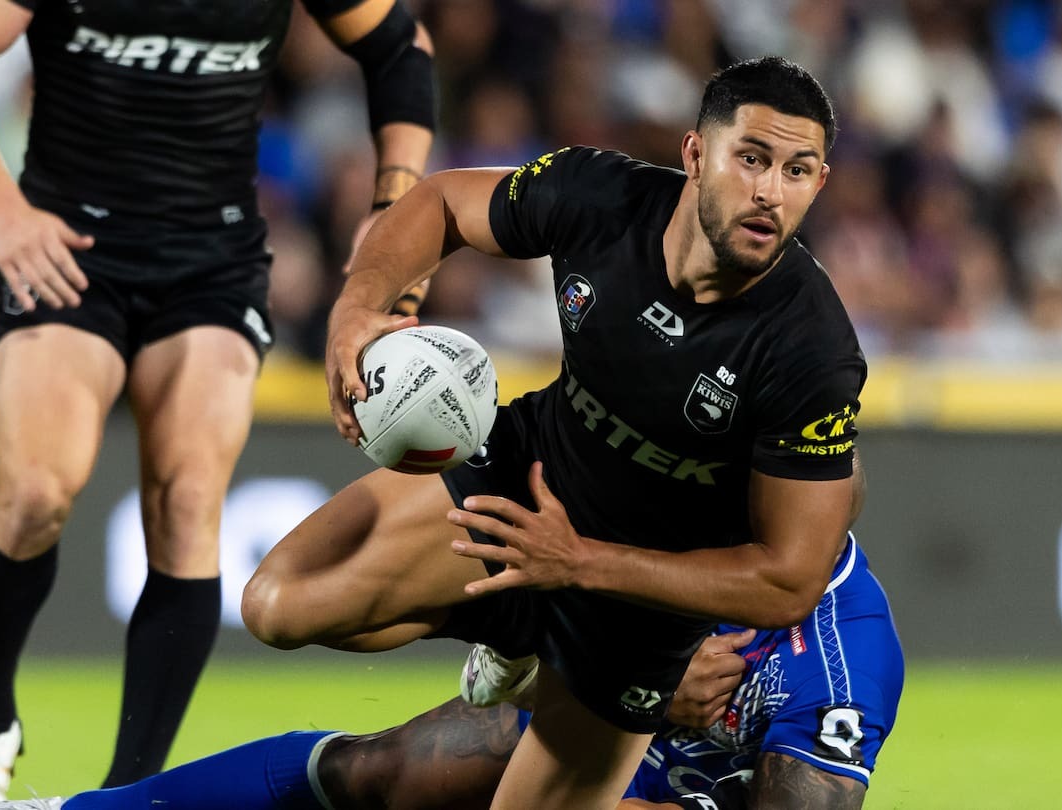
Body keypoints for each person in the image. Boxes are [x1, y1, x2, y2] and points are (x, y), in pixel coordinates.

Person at [239, 56, 866, 810]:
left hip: (639, 614)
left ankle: (553, 673)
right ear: (697, 155)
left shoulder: (812, 351)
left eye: (797, 171)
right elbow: (443, 202)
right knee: (276, 605)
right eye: (753, 158)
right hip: (523, 483)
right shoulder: (598, 196)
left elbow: (790, 578)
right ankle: (523, 646)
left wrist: (577, 562)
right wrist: (359, 309)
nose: (770, 191)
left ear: (820, 183)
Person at [0, 0, 436, 805]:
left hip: (211, 264)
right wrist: (2, 210)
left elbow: (401, 47)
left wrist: (393, 206)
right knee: (36, 494)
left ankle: (129, 794)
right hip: (65, 251)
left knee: (189, 506)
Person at [0, 536, 904, 809]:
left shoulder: (840, 666)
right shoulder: (674, 522)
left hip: (678, 792)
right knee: (378, 770)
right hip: (610, 721)